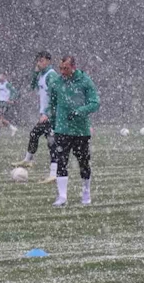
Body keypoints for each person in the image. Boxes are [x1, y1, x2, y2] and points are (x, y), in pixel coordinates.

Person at [47, 55, 100, 206]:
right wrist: (52, 121)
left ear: (73, 67)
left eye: (66, 68)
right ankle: (62, 196)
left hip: (80, 130)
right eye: (61, 68)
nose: (62, 71)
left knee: (83, 163)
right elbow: (52, 104)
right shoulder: (56, 82)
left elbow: (95, 103)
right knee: (61, 162)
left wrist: (79, 111)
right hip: (62, 129)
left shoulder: (85, 81)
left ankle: (86, 192)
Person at [14, 51, 60, 184]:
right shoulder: (41, 74)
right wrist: (35, 72)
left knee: (52, 144)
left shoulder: (51, 76)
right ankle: (29, 160)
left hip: (52, 116)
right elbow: (32, 86)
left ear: (48, 61)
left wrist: (47, 113)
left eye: (41, 60)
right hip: (45, 115)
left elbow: (55, 96)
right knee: (35, 134)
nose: (39, 63)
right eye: (38, 60)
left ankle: (53, 174)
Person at [0, 73, 18, 138]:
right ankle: (12, 128)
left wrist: (11, 99)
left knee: (0, 118)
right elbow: (0, 93)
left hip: (5, 103)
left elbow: (15, 92)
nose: (0, 77)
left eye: (1, 76)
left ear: (5, 77)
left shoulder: (7, 84)